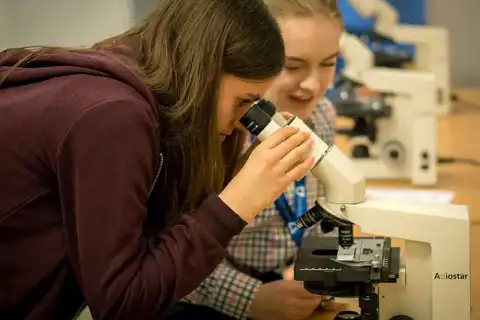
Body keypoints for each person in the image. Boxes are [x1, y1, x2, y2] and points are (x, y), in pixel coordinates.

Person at [0, 0, 318, 319]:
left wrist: (231, 178)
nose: (241, 122)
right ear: (203, 74)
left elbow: (154, 243)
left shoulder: (128, 82)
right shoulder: (113, 115)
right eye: (243, 102)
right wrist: (237, 204)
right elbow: (123, 303)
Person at [161, 1, 344, 320]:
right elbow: (168, 253)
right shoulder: (217, 132)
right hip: (205, 299)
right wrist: (249, 298)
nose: (314, 85)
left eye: (328, 64)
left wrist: (320, 269)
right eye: (293, 66)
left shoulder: (323, 116)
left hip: (283, 287)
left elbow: (324, 214)